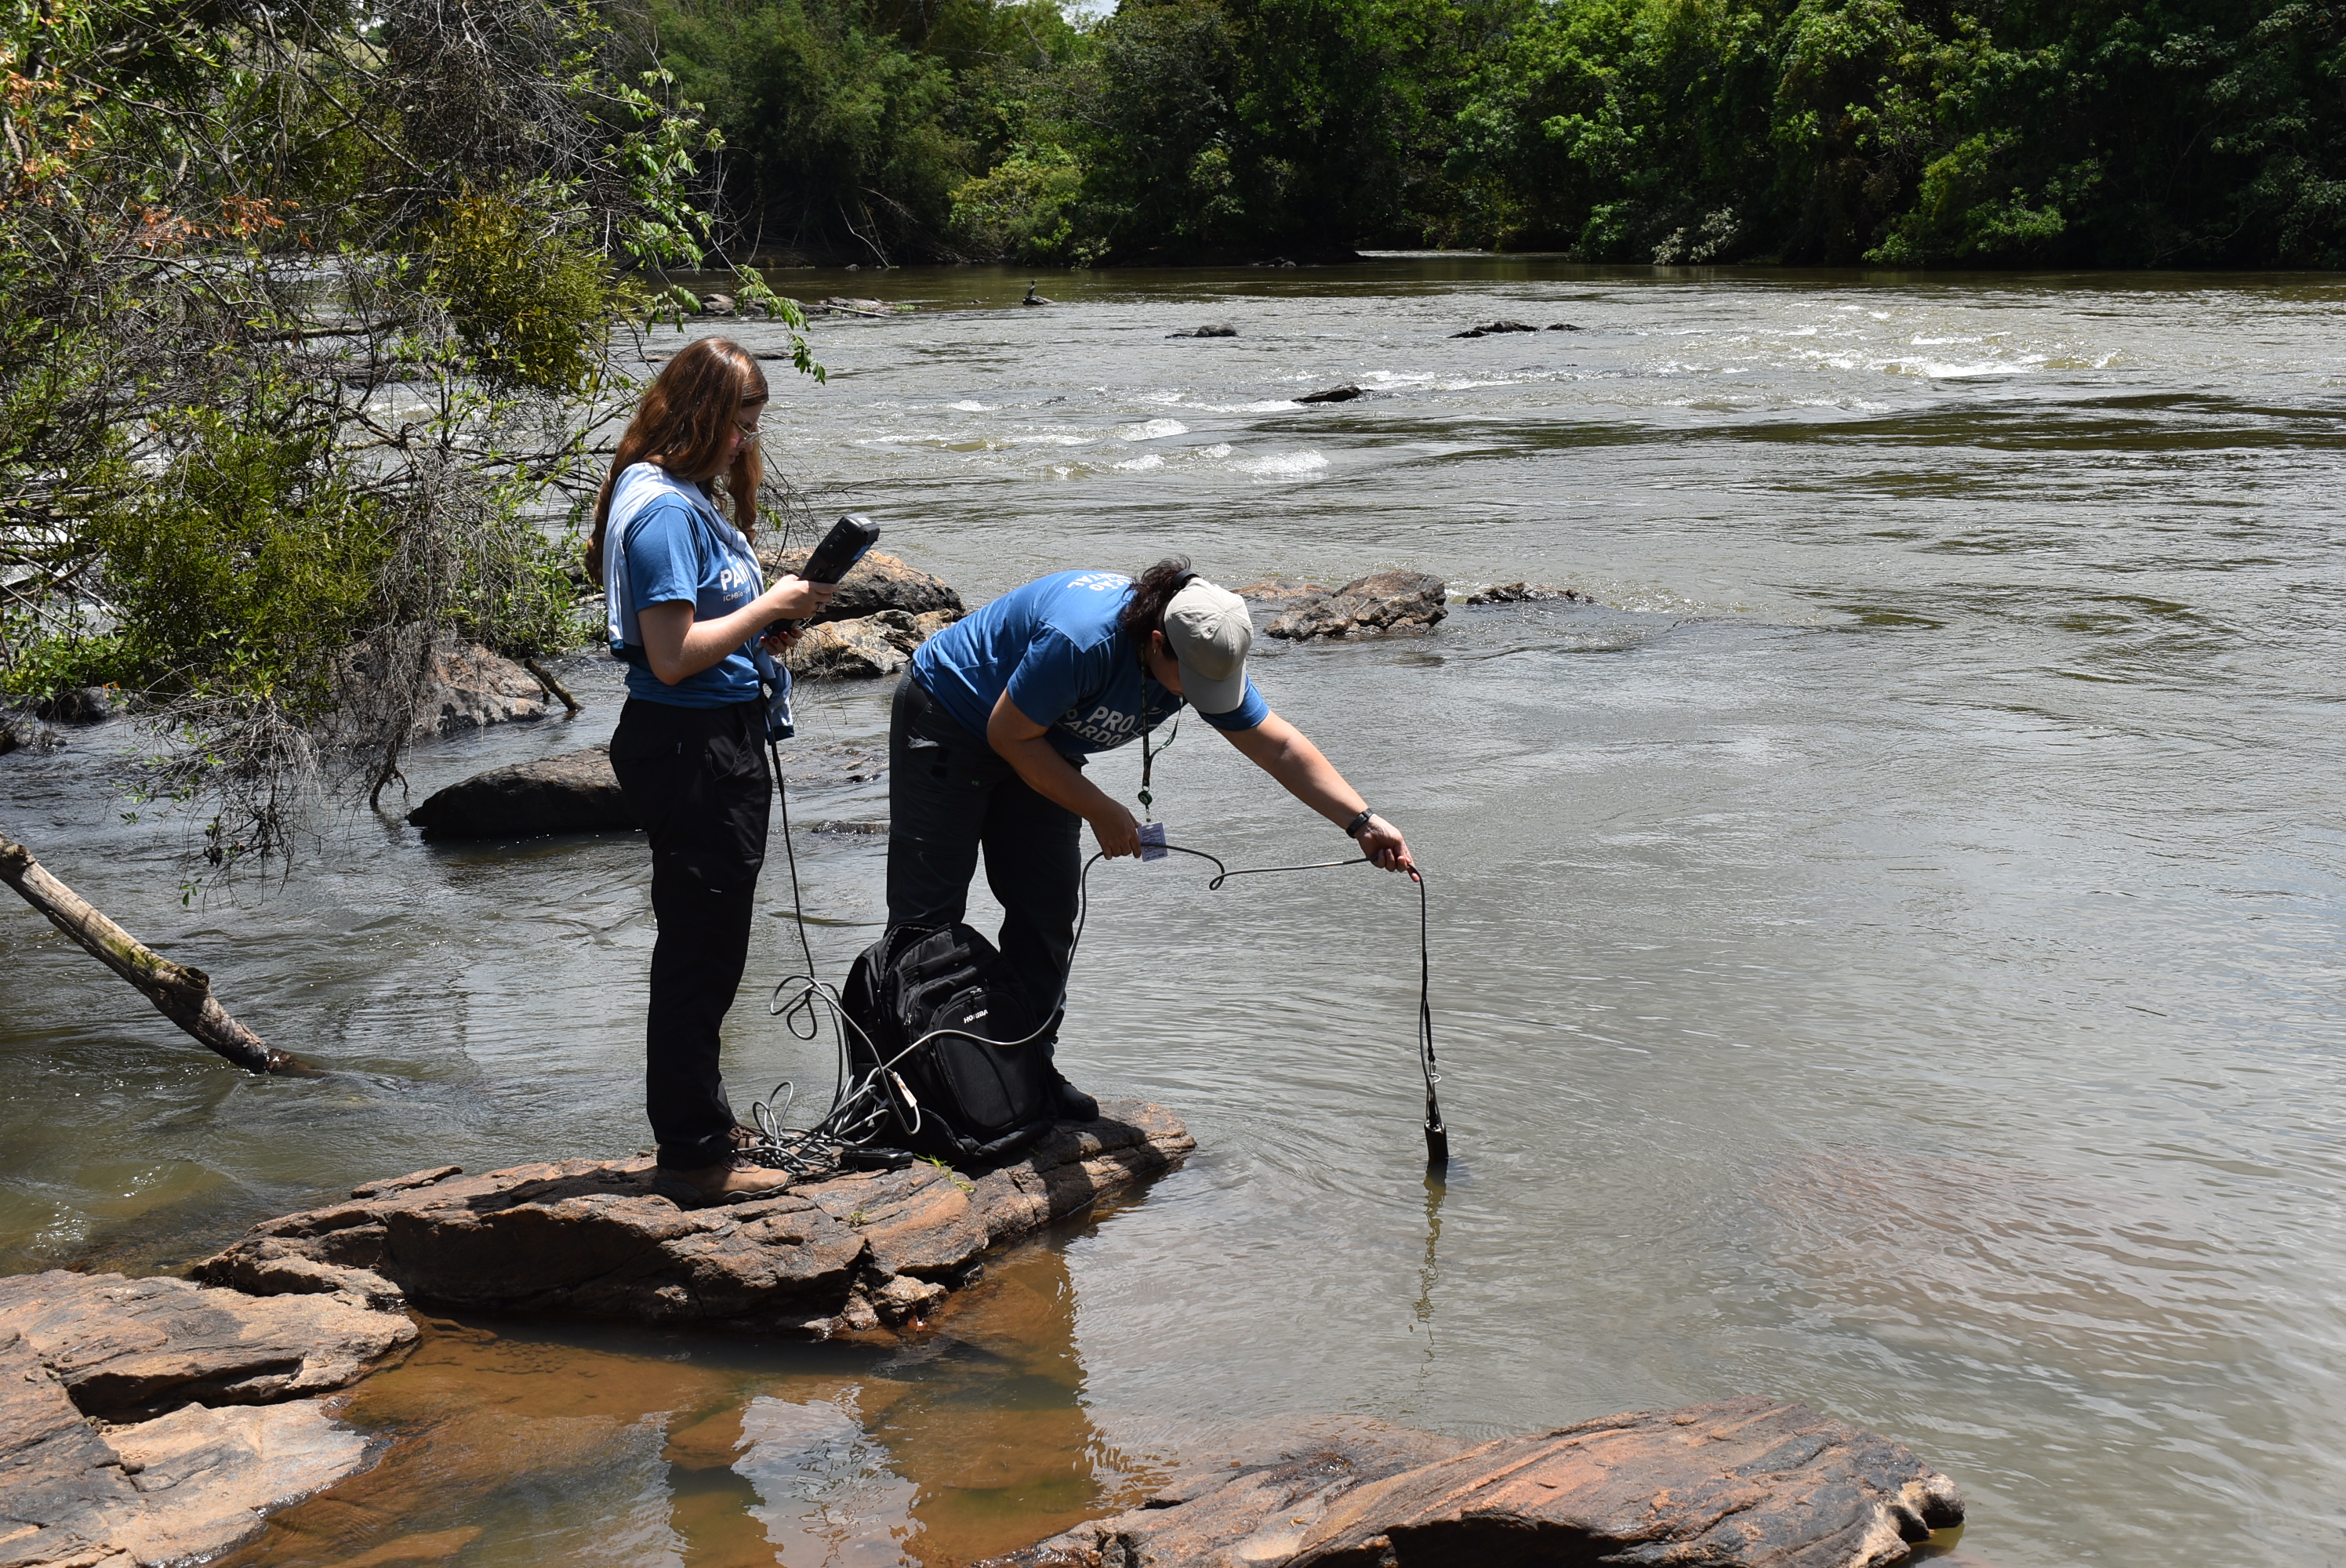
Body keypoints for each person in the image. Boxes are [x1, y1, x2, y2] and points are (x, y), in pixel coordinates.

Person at [889, 559, 1415, 1116]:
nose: (1199, 696)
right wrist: (1100, 810)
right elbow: (1008, 733)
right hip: (953, 713)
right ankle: (908, 1086)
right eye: (1192, 684)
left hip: (1044, 741)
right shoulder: (1082, 640)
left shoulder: (1202, 646)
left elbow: (1276, 746)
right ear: (1158, 643)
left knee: (1045, 910)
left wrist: (1361, 820)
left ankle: (1027, 1074)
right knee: (929, 917)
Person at [584, 337, 838, 1207]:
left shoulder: (678, 497)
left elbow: (706, 634)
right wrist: (772, 602)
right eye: (740, 420)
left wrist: (763, 629)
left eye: (753, 421)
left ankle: (701, 1128)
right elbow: (671, 656)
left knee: (713, 948)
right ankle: (692, 1154)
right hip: (689, 745)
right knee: (699, 953)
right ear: (699, 413)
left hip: (713, 736)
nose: (745, 439)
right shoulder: (659, 509)